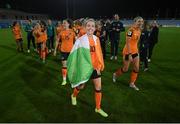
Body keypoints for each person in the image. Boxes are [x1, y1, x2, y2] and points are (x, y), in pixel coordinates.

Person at [67, 19, 108, 117]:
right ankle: (73, 95)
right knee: (81, 86)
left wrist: (99, 65)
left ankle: (97, 108)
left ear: (95, 28)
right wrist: (76, 67)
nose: (90, 28)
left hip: (95, 67)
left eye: (92, 26)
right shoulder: (80, 40)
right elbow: (74, 54)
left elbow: (99, 54)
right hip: (84, 68)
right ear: (85, 27)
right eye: (88, 26)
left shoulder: (96, 39)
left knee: (98, 88)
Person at [113, 16, 144, 91]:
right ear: (135, 22)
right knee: (125, 69)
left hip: (135, 51)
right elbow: (128, 42)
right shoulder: (130, 30)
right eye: (139, 21)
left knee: (136, 68)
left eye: (141, 21)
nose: (140, 23)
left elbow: (136, 42)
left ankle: (132, 83)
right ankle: (115, 74)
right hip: (128, 52)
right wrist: (130, 54)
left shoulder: (139, 30)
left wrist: (137, 50)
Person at [54, 19, 76, 85]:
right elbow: (57, 41)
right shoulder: (61, 32)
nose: (63, 24)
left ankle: (72, 78)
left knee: (71, 66)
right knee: (64, 66)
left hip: (71, 51)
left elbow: (76, 41)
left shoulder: (72, 32)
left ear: (68, 24)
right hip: (63, 51)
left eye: (64, 23)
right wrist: (55, 50)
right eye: (63, 23)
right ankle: (64, 80)